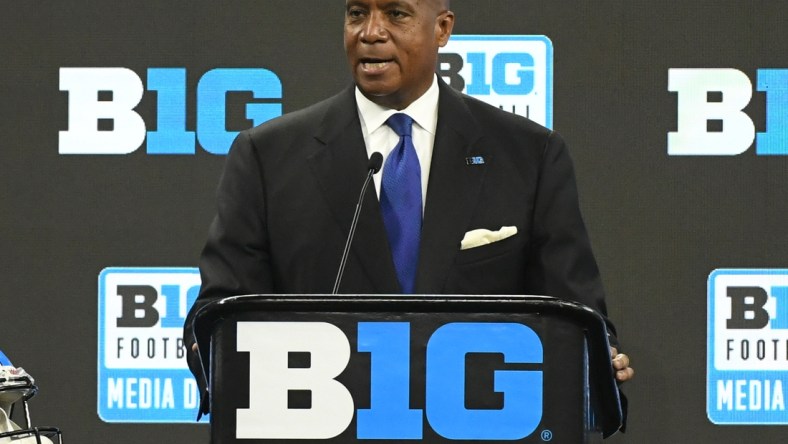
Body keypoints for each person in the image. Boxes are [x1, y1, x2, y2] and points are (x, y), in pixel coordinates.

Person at [184, 0, 633, 405]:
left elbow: (574, 313)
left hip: (476, 423)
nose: (371, 32)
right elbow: (220, 311)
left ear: (442, 29)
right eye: (357, 13)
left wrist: (596, 358)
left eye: (396, 14)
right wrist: (211, 349)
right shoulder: (268, 155)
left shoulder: (528, 155)